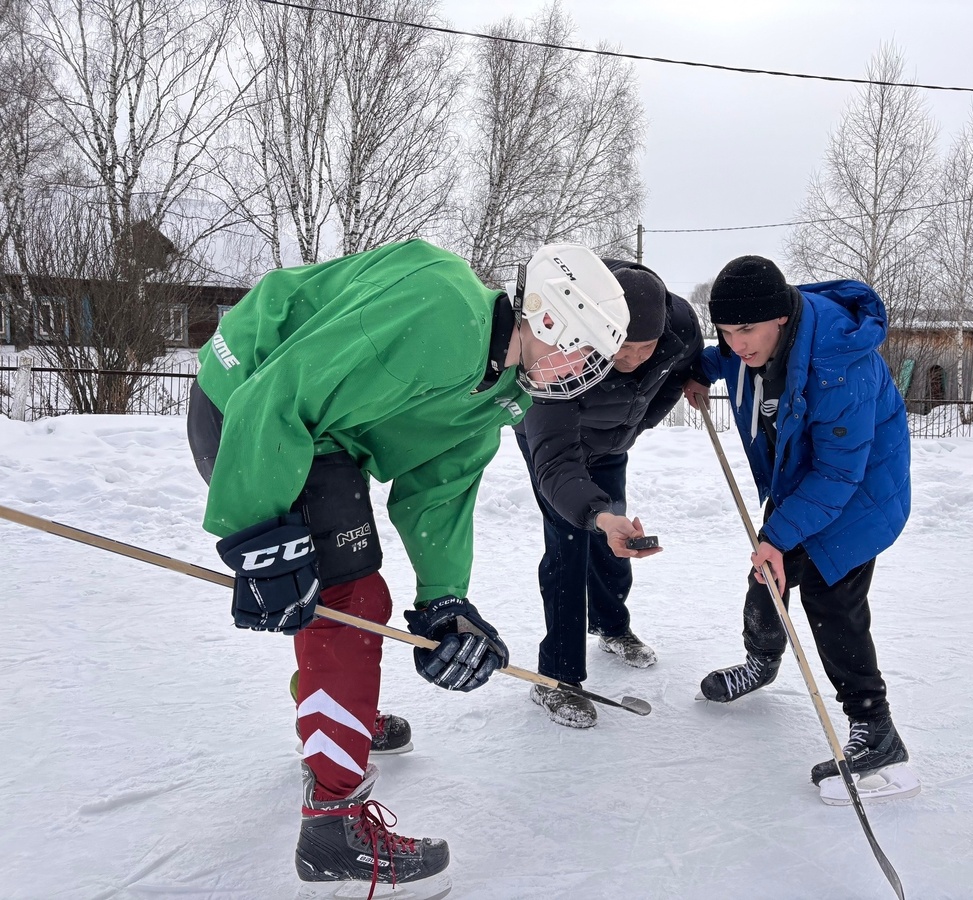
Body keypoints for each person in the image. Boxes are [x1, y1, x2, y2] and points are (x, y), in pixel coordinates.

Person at [187, 239, 629, 898]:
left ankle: (336, 719)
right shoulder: (442, 309)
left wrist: (446, 600)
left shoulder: (501, 390)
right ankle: (333, 825)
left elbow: (439, 492)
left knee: (345, 588)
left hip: (314, 435)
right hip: (248, 410)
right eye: (583, 350)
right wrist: (257, 534)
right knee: (352, 594)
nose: (582, 372)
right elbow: (279, 388)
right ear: (548, 317)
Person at [683, 255, 913, 794]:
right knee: (768, 575)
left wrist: (777, 536)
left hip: (858, 496)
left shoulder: (841, 362)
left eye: (746, 331)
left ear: (780, 319)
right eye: (726, 331)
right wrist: (701, 370)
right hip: (801, 482)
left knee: (833, 602)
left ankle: (875, 728)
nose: (737, 343)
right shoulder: (762, 338)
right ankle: (761, 662)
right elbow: (729, 358)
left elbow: (839, 473)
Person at [515, 260, 703, 728]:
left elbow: (682, 368)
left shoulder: (678, 327)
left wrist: (640, 422)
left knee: (615, 533)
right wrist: (592, 511)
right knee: (569, 542)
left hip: (614, 439)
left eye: (647, 347)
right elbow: (557, 463)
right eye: (624, 346)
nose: (636, 357)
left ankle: (611, 625)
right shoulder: (558, 350)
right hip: (557, 445)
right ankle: (556, 677)